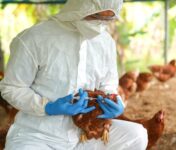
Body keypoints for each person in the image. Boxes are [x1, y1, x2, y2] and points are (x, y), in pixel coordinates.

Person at [0, 0, 148, 149]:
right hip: (38, 136)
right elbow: (12, 88)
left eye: (107, 19)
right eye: (96, 16)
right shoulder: (35, 38)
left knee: (137, 135)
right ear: (80, 6)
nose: (100, 23)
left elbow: (108, 85)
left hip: (87, 133)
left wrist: (114, 102)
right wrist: (48, 107)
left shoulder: (105, 42)